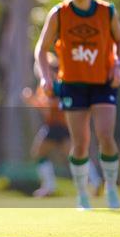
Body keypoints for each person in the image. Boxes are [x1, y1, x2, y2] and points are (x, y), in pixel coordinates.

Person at [35, 0, 120, 210]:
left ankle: (111, 189)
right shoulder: (59, 13)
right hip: (73, 85)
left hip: (102, 83)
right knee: (80, 142)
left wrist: (117, 65)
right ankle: (82, 195)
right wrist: (45, 77)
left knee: (106, 135)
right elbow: (41, 50)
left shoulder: (107, 12)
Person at [22, 53, 102, 197]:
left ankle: (52, 185)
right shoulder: (45, 86)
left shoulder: (57, 84)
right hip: (54, 126)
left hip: (60, 125)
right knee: (43, 153)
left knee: (49, 154)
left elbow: (57, 106)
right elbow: (46, 108)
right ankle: (92, 181)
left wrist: (33, 100)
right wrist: (32, 101)